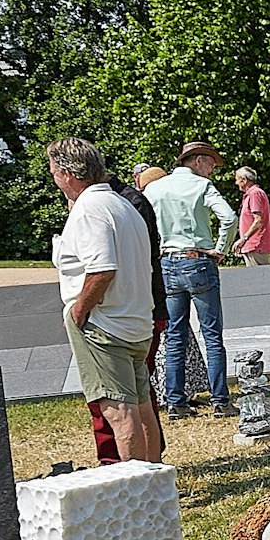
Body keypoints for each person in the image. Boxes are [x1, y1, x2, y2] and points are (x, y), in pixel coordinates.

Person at [46, 137, 161, 462]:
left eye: (54, 170)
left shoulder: (90, 210)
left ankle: (137, 502)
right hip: (135, 321)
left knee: (120, 414)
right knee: (141, 410)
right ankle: (156, 491)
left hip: (105, 325)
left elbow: (101, 270)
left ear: (68, 173)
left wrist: (79, 311)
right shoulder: (123, 204)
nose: (54, 178)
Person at [144, 140, 237, 418]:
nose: (212, 169)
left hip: (167, 262)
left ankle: (176, 402)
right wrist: (220, 250)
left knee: (174, 336)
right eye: (210, 163)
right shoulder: (202, 186)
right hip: (198, 261)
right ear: (197, 160)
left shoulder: (154, 188)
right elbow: (229, 218)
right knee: (211, 334)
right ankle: (220, 399)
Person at [87, 169, 169, 463]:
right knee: (134, 396)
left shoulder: (124, 203)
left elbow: (108, 268)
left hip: (129, 314)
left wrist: (78, 311)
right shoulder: (125, 202)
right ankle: (145, 468)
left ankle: (127, 466)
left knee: (127, 400)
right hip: (136, 311)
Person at [233, 166, 270, 265]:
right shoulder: (252, 194)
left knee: (259, 279)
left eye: (237, 179)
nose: (236, 183)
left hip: (256, 246)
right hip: (253, 246)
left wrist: (243, 239)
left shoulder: (255, 194)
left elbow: (258, 220)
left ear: (244, 180)